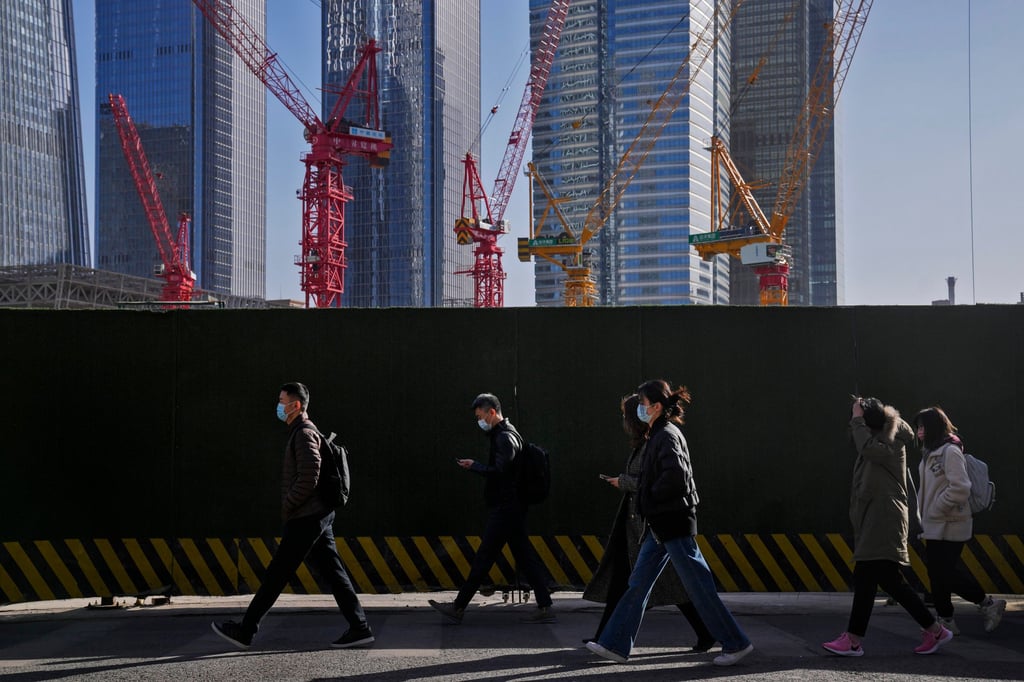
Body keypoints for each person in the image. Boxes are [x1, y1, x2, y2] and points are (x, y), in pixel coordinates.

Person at [586, 380, 754, 667]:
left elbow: (675, 478)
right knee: (638, 584)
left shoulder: (666, 435)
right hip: (661, 524)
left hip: (673, 522)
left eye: (642, 402)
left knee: (698, 587)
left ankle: (736, 643)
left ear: (656, 406)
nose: (639, 408)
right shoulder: (658, 434)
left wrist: (647, 497)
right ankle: (614, 644)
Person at [211, 382, 374, 650]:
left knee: (277, 574)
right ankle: (360, 627)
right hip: (318, 514)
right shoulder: (304, 431)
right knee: (334, 573)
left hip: (307, 516)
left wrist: (289, 503)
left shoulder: (304, 433)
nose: (278, 405)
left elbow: (310, 476)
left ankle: (245, 631)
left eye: (281, 400)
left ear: (295, 405)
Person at [822, 397, 952, 657]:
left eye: (857, 421)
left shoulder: (888, 441)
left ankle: (853, 639)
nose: (853, 424)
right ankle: (934, 630)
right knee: (885, 580)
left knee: (871, 575)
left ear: (869, 424)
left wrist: (858, 418)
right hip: (878, 518)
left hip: (884, 518)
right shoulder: (881, 439)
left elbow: (869, 450)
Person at [583, 393, 714, 651]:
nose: (624, 420)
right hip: (636, 525)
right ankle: (605, 638)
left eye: (626, 415)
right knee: (628, 582)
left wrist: (624, 482)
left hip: (649, 526)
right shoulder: (645, 443)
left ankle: (713, 633)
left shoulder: (656, 442)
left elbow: (656, 480)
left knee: (665, 584)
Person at [428, 393, 555, 624]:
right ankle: (545, 605)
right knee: (524, 555)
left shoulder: (504, 438)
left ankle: (458, 607)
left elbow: (501, 472)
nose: (480, 422)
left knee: (484, 556)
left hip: (506, 508)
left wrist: (474, 466)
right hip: (514, 507)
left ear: (492, 412)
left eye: (480, 416)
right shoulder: (511, 433)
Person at [913, 406, 1006, 635]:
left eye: (922, 426)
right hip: (936, 525)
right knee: (937, 574)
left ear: (934, 426)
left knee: (943, 573)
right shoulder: (930, 453)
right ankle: (947, 618)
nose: (919, 431)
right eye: (918, 427)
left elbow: (961, 488)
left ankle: (985, 605)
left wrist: (935, 508)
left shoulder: (950, 452)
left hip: (951, 523)